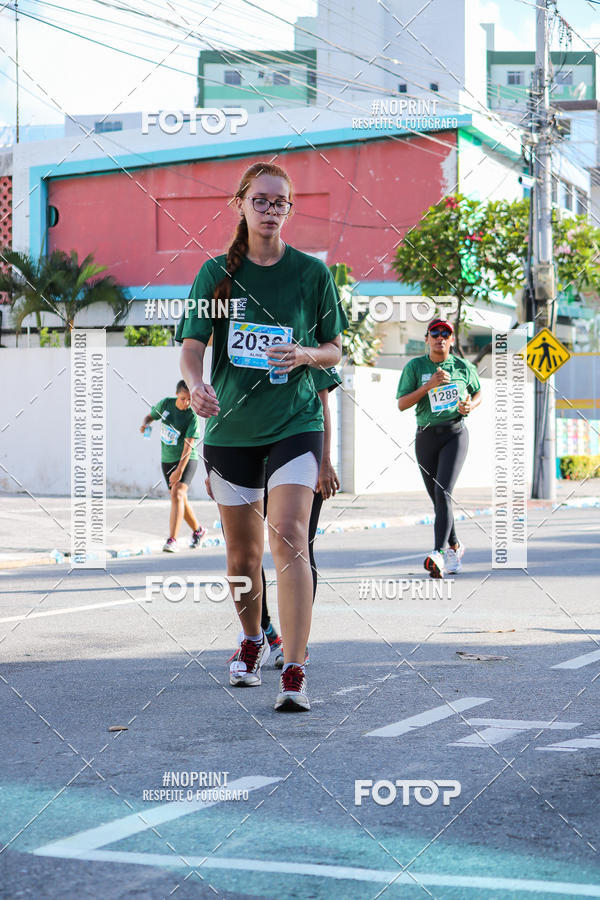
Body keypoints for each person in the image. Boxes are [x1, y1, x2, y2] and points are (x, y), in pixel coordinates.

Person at [176, 161, 347, 712]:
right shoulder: (214, 276)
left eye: (281, 202)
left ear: (290, 210)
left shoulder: (313, 275)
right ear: (241, 204)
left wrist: (303, 354)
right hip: (231, 429)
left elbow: (334, 351)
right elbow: (193, 344)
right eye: (262, 200)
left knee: (291, 536)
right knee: (242, 555)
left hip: (295, 423)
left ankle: (294, 667)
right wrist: (195, 384)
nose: (271, 210)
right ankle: (252, 638)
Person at [260, 364, 341, 667]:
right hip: (249, 456)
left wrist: (324, 462)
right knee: (248, 549)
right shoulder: (241, 330)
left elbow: (323, 404)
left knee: (300, 547)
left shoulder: (309, 337)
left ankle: (298, 643)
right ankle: (263, 633)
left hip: (299, 458)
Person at [396, 319, 481, 578]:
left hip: (455, 434)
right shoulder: (415, 367)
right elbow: (401, 404)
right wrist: (427, 386)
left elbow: (478, 393)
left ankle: (438, 553)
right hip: (426, 436)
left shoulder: (462, 366)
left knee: (443, 491)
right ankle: (455, 546)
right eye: (435, 333)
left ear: (452, 340)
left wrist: (470, 406)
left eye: (446, 334)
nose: (440, 338)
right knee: (437, 497)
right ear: (427, 339)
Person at [141, 379, 206, 552]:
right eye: (183, 398)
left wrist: (179, 470)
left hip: (187, 459)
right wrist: (146, 424)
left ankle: (172, 540)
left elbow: (189, 445)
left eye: (190, 399)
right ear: (177, 394)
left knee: (177, 494)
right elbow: (150, 416)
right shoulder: (165, 404)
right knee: (180, 498)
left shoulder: (192, 417)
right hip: (167, 459)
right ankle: (198, 531)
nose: (187, 403)